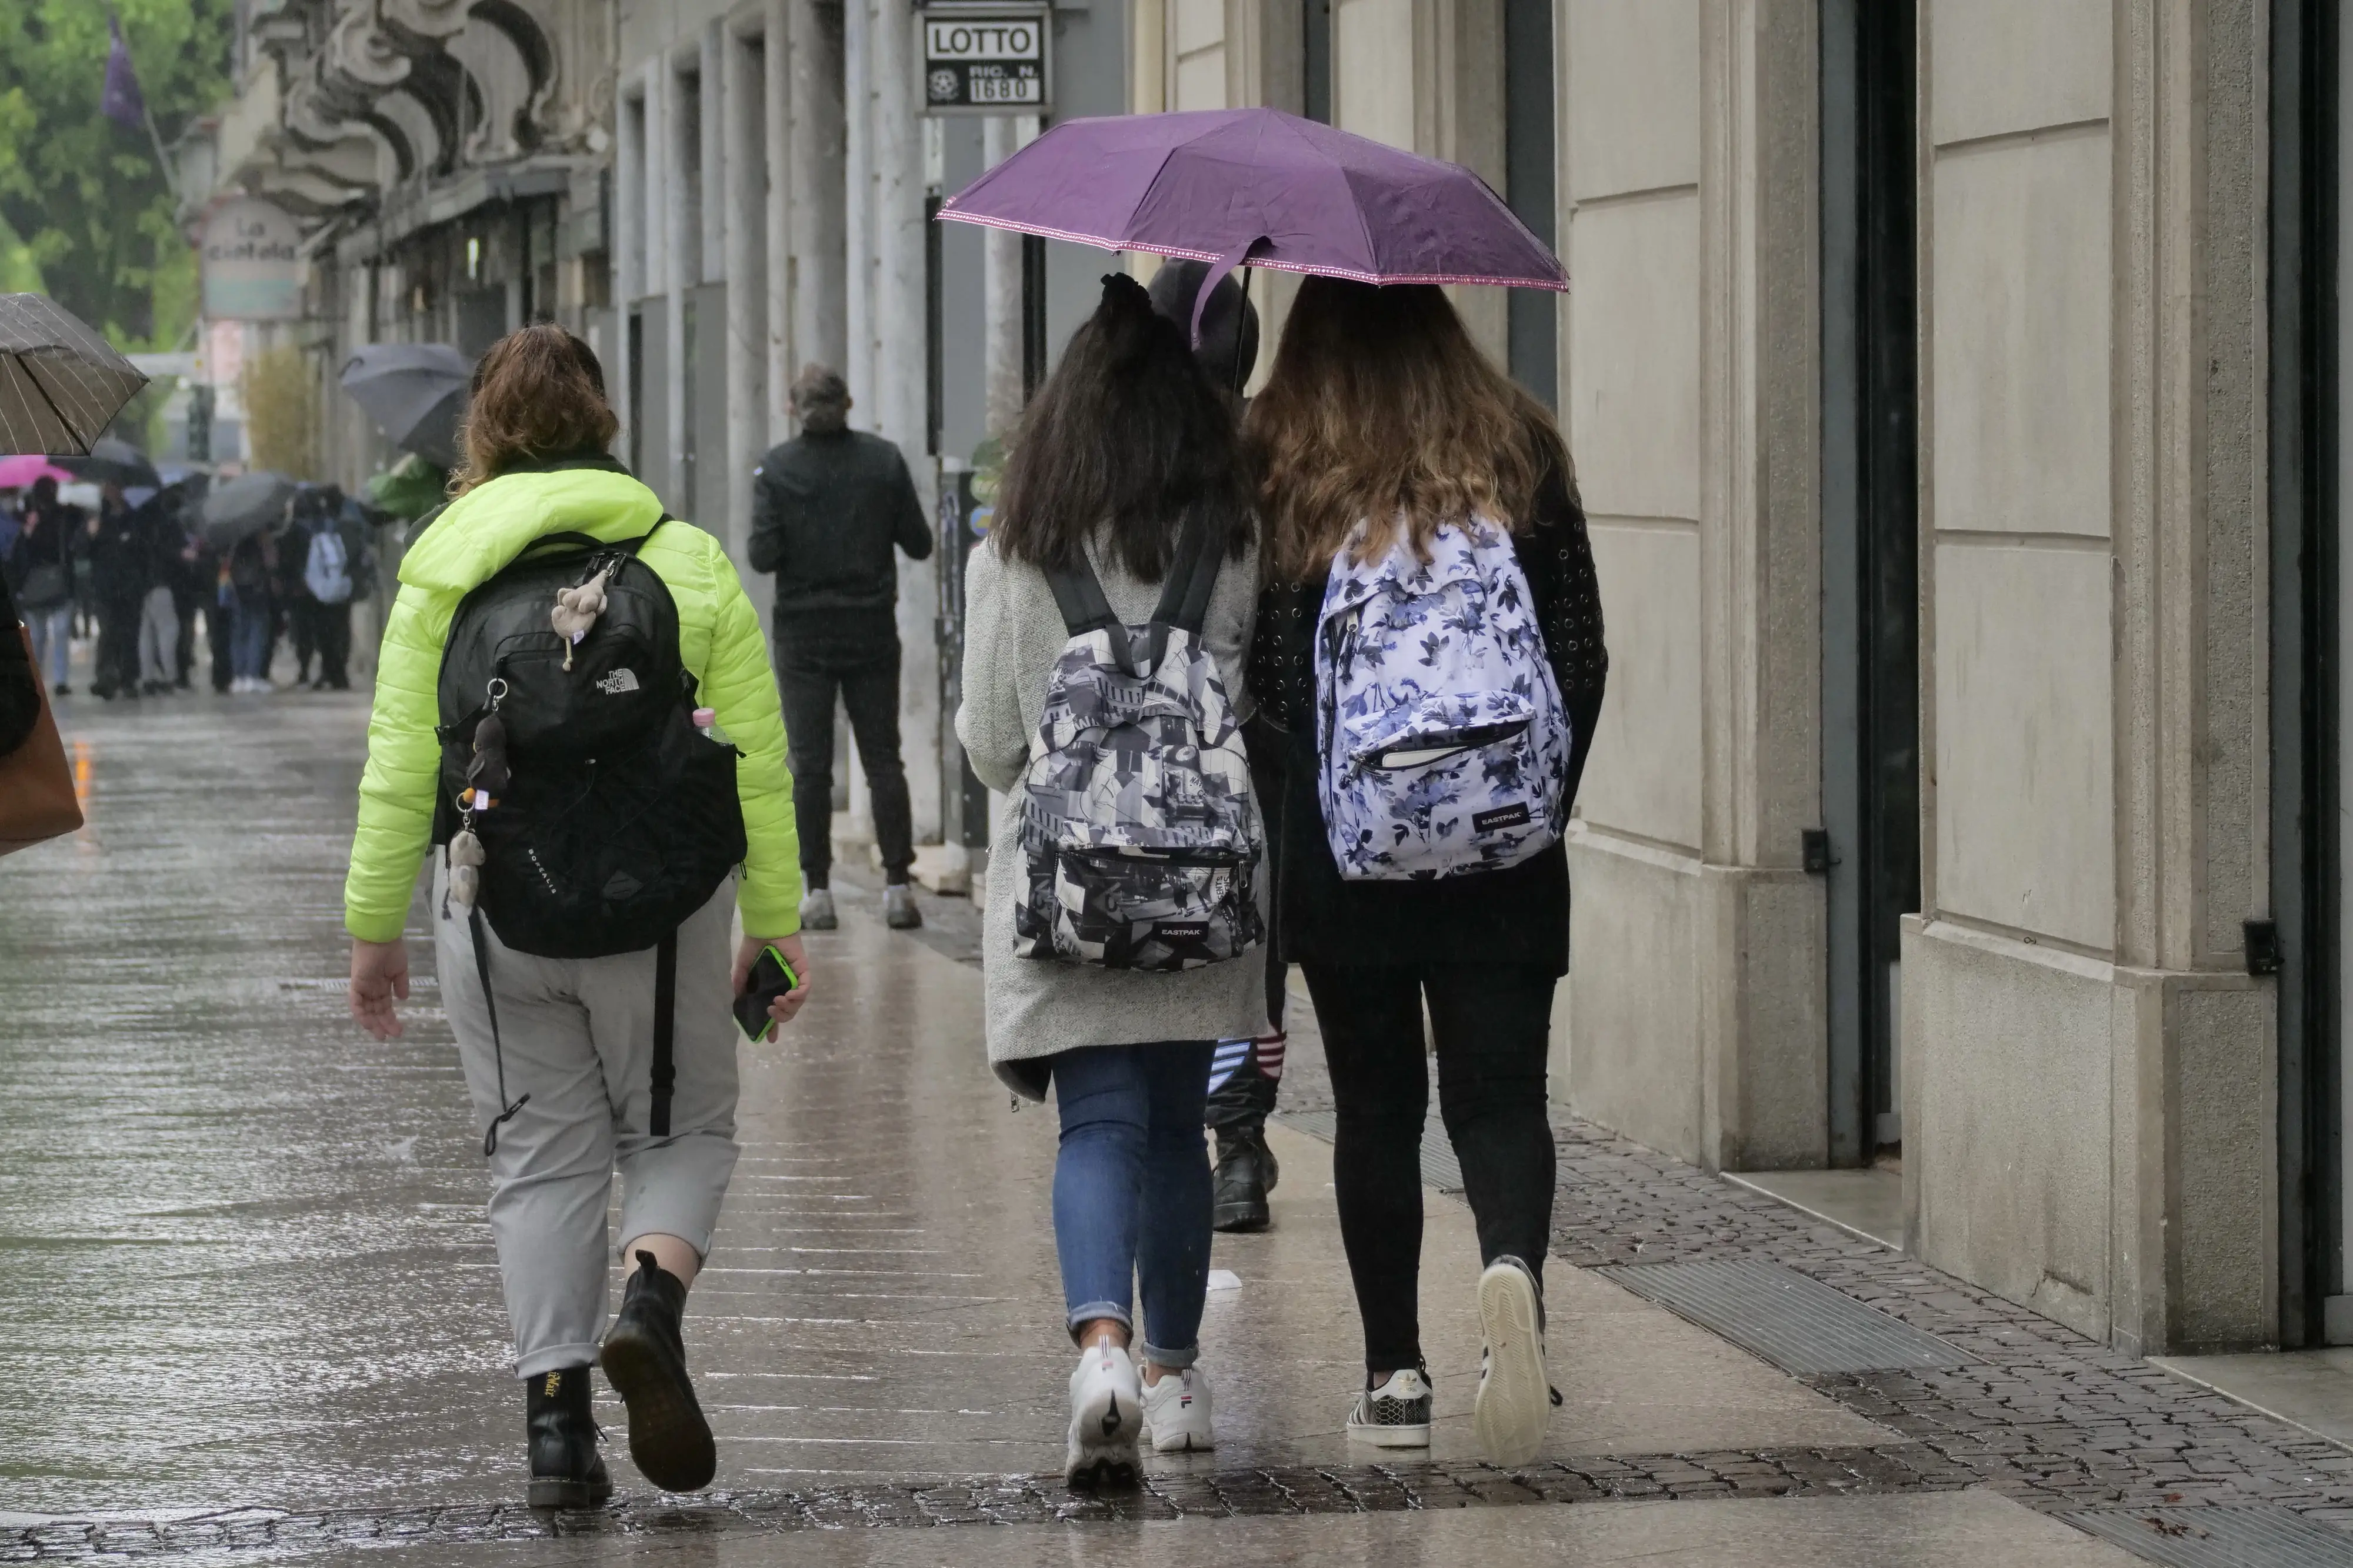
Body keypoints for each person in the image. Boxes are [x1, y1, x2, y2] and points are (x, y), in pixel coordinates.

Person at [344, 324, 806, 1509]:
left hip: (497, 909)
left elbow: (401, 763)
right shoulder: (687, 560)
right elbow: (756, 760)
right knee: (684, 1131)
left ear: (483, 433)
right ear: (604, 424)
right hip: (663, 914)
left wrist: (373, 930)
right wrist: (776, 916)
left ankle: (556, 1433)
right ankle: (649, 1300)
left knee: (538, 1160)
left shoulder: (439, 571)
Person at [1242, 278, 1607, 1464]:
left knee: (1376, 1111)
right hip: (1506, 841)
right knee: (1499, 1096)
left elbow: (1267, 689)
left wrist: (1296, 825)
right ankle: (1508, 1273)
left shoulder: (1282, 462)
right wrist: (1534, 804)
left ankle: (1393, 1373)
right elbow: (1580, 652)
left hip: (1345, 861)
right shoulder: (1522, 447)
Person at [956, 274, 1262, 1489]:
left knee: (1098, 1124)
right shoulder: (1232, 540)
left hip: (1063, 897)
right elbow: (1252, 702)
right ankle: (1178, 1382)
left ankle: (1100, 1349)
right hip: (1202, 897)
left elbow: (987, 741)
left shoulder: (1019, 546)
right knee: (1180, 1127)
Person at [1145, 260, 1289, 1235]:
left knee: (1167, 934)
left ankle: (1178, 1132)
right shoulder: (1270, 460)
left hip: (1147, 745)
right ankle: (1239, 1147)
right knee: (1250, 948)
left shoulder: (1122, 458)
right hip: (1256, 740)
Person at [748, 364, 934, 933]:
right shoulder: (883, 461)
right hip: (871, 631)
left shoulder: (777, 469)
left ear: (790, 407)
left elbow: (761, 556)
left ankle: (817, 892)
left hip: (803, 636)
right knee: (883, 759)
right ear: (849, 402)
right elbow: (920, 545)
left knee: (809, 767)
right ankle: (899, 888)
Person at [5, 479, 76, 696]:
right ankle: (39, 680)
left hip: (57, 582)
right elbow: (17, 552)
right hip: (35, 584)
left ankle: (59, 680)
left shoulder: (64, 517)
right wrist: (28, 530)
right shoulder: (23, 519)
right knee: (38, 635)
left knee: (59, 632)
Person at [86, 481, 148, 700]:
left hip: (130, 587)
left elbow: (143, 550)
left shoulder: (134, 518)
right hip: (105, 587)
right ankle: (105, 677)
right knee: (108, 632)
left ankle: (128, 677)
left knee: (129, 633)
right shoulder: (98, 520)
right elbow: (82, 550)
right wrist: (90, 536)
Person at [135, 491, 191, 696]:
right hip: (163, 584)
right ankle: (171, 677)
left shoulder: (138, 523)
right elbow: (177, 552)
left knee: (146, 634)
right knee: (168, 631)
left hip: (143, 585)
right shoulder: (168, 524)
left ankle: (148, 677)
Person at [226, 526, 275, 693]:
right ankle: (253, 676)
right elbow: (271, 562)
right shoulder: (261, 534)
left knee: (239, 632)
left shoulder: (232, 532)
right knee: (257, 631)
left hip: (237, 587)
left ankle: (238, 677)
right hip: (257, 587)